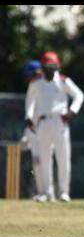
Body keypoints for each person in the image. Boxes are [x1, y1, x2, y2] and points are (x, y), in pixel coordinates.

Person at [25, 51, 84, 202]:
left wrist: (72, 111)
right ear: (43, 67)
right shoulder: (36, 82)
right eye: (48, 67)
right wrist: (28, 117)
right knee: (45, 158)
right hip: (43, 122)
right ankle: (47, 192)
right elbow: (30, 101)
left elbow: (79, 95)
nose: (51, 70)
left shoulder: (64, 81)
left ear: (57, 67)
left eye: (53, 67)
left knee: (63, 157)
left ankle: (64, 192)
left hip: (60, 122)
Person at [20, 60, 45, 200]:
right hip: (34, 131)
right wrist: (26, 136)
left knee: (44, 162)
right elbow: (30, 116)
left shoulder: (44, 87)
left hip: (45, 130)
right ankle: (41, 192)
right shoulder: (33, 87)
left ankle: (48, 192)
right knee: (36, 162)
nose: (30, 78)